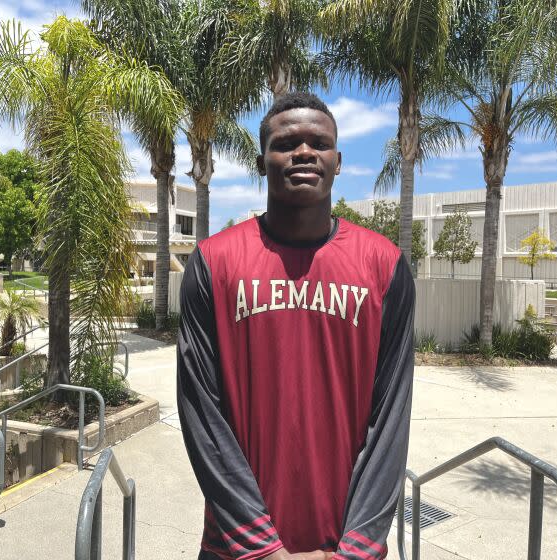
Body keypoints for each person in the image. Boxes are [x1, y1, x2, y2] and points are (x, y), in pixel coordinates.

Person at [177, 92, 415, 560]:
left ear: (339, 161)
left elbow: (390, 420)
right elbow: (201, 412)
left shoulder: (383, 265)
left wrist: (353, 551)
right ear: (262, 160)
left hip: (342, 548)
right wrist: (264, 550)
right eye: (287, 143)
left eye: (318, 143)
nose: (304, 152)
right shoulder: (213, 262)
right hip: (236, 549)